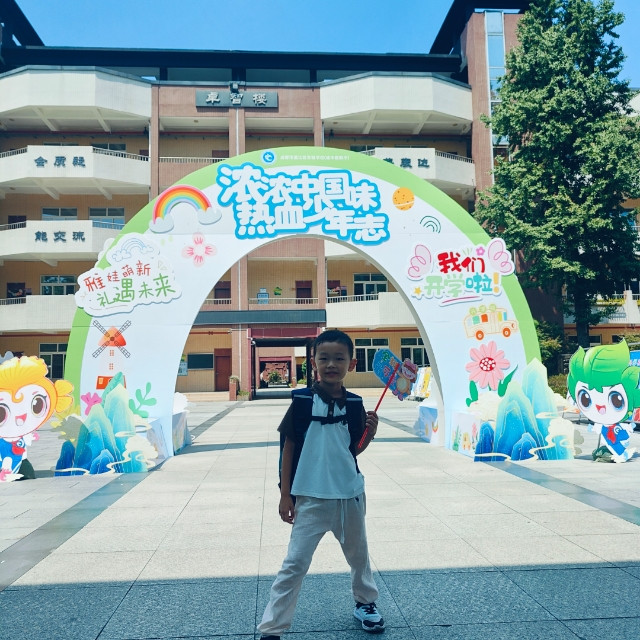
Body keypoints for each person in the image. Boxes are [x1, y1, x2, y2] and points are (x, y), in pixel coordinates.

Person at [258, 330, 383, 639]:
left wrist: (369, 434)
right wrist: (285, 494)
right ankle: (272, 627)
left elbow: (352, 450)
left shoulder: (354, 404)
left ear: (351, 364)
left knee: (359, 556)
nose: (331, 364)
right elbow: (288, 448)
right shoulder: (302, 401)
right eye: (324, 358)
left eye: (339, 358)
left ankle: (365, 603)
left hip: (349, 495)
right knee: (295, 563)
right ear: (312, 362)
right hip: (310, 497)